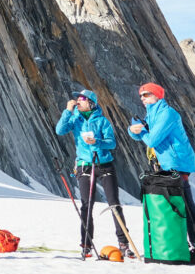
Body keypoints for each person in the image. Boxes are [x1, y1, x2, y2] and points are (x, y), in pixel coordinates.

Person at [128, 83, 195, 266]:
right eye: (140, 95)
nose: (142, 98)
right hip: (167, 163)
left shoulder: (168, 114)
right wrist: (133, 130)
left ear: (157, 95)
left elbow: (153, 139)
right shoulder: (152, 114)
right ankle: (194, 248)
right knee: (182, 206)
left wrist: (142, 131)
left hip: (176, 163)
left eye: (146, 94)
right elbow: (144, 135)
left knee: (187, 206)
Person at [55, 88, 135, 259]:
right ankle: (86, 244)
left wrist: (96, 142)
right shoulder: (75, 118)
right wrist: (68, 110)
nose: (78, 100)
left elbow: (111, 143)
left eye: (82, 98)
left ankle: (123, 243)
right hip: (84, 165)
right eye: (78, 98)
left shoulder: (102, 121)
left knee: (114, 203)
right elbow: (60, 130)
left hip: (104, 164)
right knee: (86, 204)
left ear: (91, 102)